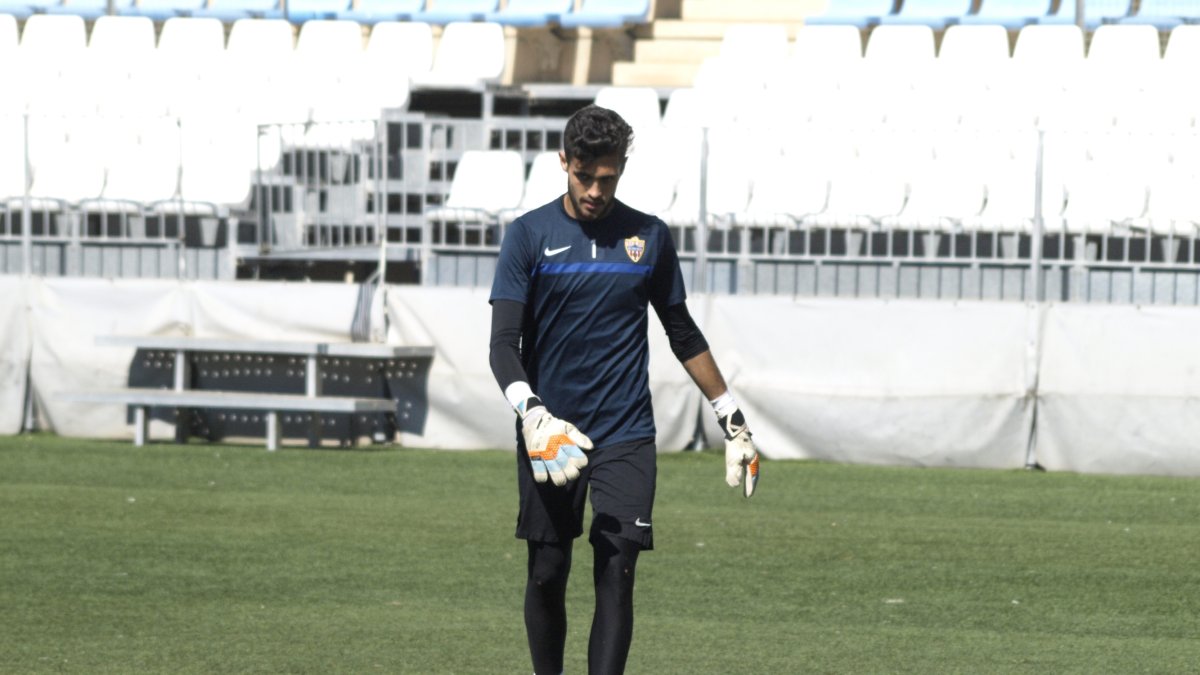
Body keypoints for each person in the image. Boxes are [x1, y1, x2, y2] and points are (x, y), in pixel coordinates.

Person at [488, 104, 760, 674]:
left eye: (606, 179)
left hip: (626, 433)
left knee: (618, 567)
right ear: (563, 162)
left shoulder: (649, 237)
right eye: (583, 176)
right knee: (546, 571)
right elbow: (502, 345)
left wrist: (731, 418)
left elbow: (681, 331)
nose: (593, 190)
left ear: (621, 168)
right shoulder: (528, 236)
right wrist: (532, 413)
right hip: (551, 433)